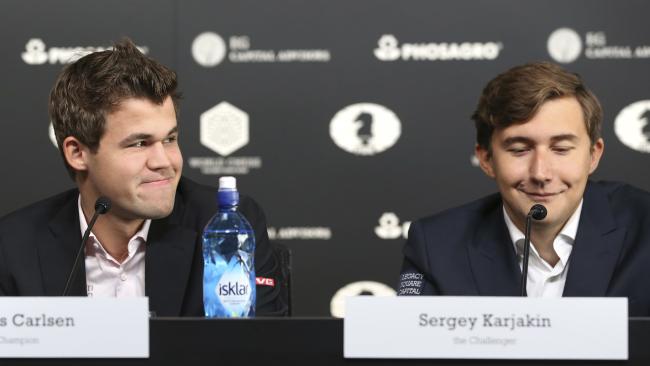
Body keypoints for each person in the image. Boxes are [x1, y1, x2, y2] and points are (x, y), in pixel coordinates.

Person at [0, 38, 288, 316]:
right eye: (139, 144)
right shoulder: (13, 247)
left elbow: (259, 350)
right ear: (78, 153)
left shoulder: (223, 226)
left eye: (170, 139)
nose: (165, 162)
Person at [398, 61, 650, 316]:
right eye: (519, 150)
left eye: (561, 149)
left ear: (593, 156)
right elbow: (409, 348)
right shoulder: (436, 245)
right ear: (486, 159)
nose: (541, 173)